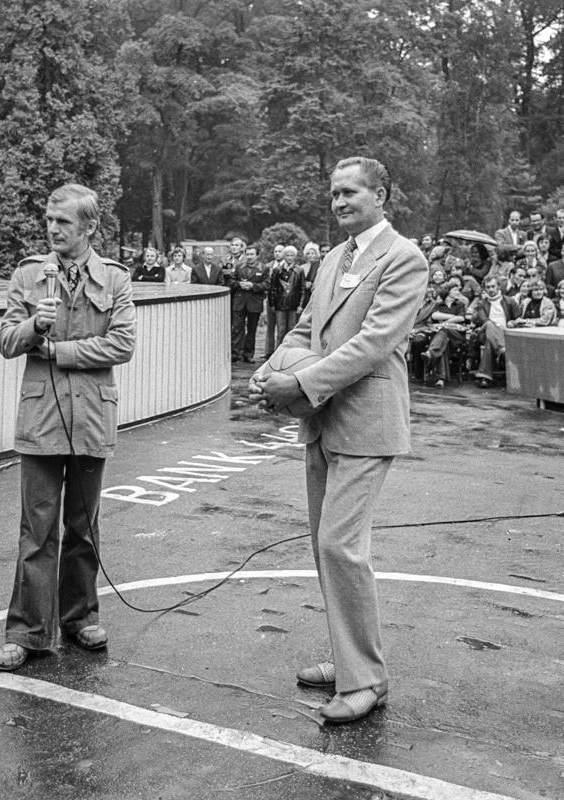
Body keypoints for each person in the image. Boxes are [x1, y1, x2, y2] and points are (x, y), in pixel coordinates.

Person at [249, 156, 427, 724]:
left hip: (367, 424)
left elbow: (373, 344)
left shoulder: (404, 257)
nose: (339, 202)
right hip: (322, 421)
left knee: (339, 546)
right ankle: (348, 659)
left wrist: (297, 384)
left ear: (381, 195)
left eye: (350, 192)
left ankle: (366, 681)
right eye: (333, 194)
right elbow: (304, 330)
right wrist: (267, 375)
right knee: (325, 548)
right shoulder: (332, 258)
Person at [0, 183, 136, 671]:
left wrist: (57, 351)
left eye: (63, 222)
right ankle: (27, 632)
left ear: (89, 227)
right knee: (36, 530)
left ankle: (80, 618)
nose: (53, 229)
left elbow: (122, 345)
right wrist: (35, 326)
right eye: (49, 221)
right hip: (42, 418)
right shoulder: (29, 275)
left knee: (83, 526)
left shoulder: (115, 278)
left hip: (92, 416)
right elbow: (6, 342)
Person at [467, 275, 521, 388]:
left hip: (505, 334)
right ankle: (502, 350)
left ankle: (485, 377)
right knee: (489, 325)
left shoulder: (509, 301)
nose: (491, 289)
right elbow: (483, 320)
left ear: (498, 287)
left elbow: (518, 318)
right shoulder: (482, 303)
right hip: (485, 331)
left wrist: (512, 323)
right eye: (488, 287)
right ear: (485, 289)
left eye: (493, 286)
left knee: (489, 343)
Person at [229, 244, 268, 362]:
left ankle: (248, 354)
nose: (249, 257)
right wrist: (239, 284)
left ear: (257, 255)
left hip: (254, 302)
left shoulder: (263, 268)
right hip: (240, 301)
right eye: (248, 254)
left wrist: (253, 286)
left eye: (252, 254)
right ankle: (235, 354)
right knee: (237, 328)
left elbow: (267, 284)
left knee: (252, 330)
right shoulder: (239, 266)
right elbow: (231, 280)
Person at [267, 244, 304, 349]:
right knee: (281, 330)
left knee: (292, 329)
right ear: (284, 256)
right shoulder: (277, 270)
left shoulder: (299, 270)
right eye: (287, 255)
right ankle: (279, 351)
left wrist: (300, 305)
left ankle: (290, 352)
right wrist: (272, 304)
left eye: (292, 255)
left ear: (295, 257)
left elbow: (302, 289)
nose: (289, 258)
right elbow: (272, 288)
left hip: (294, 304)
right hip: (280, 304)